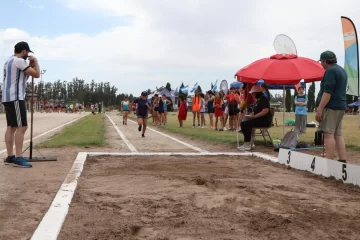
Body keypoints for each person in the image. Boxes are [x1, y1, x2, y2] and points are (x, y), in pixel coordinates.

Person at [2, 41, 40, 167]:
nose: (28, 54)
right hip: (16, 97)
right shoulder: (19, 61)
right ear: (24, 51)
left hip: (7, 97)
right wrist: (35, 62)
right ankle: (18, 158)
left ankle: (10, 156)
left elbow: (25, 77)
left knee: (11, 127)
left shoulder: (9, 61)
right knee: (22, 126)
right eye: (28, 52)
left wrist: (29, 65)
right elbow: (37, 75)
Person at [316, 50, 347, 162]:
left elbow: (327, 92)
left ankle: (329, 162)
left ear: (325, 61)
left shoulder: (330, 71)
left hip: (331, 106)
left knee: (328, 135)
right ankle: (342, 160)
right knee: (338, 134)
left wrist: (320, 109)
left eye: (321, 62)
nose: (321, 64)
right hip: (341, 105)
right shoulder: (342, 70)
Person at [238, 85, 272, 151]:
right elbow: (257, 110)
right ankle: (248, 142)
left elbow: (265, 110)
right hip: (260, 119)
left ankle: (247, 143)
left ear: (256, 93)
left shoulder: (263, 99)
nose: (252, 95)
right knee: (243, 123)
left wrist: (255, 116)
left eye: (253, 93)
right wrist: (252, 114)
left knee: (246, 124)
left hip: (264, 121)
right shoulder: (259, 100)